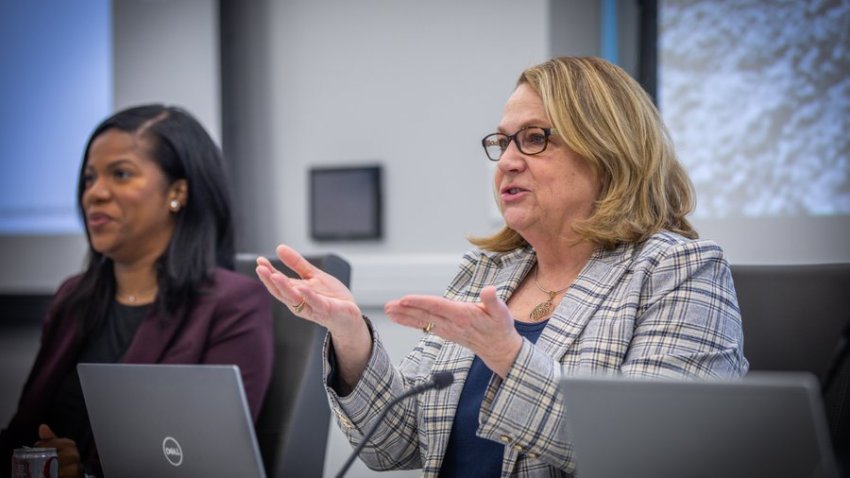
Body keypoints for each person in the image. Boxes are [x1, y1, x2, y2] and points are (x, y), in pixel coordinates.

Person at [255, 56, 748, 477]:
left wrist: (511, 359)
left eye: (535, 138)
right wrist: (351, 337)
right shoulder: (488, 273)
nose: (508, 161)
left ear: (609, 152)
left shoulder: (678, 270)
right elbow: (395, 445)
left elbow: (653, 456)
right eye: (503, 142)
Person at [0, 105, 274, 478]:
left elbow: (204, 465)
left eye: (121, 174)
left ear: (177, 192)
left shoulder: (232, 305)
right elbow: (22, 433)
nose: (94, 194)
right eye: (88, 179)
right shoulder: (72, 298)